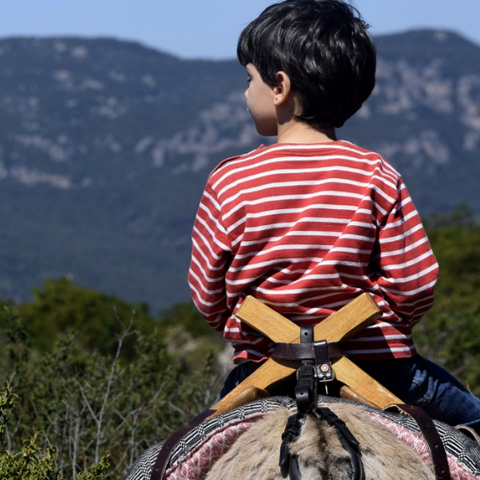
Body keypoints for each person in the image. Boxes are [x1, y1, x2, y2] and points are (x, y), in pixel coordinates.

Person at [187, 0, 480, 430]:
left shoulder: (230, 180)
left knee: (179, 470)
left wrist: (246, 319)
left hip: (263, 374)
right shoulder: (377, 174)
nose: (244, 92)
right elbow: (415, 287)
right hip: (382, 371)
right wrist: (364, 320)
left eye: (248, 79)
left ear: (280, 87)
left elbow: (209, 298)